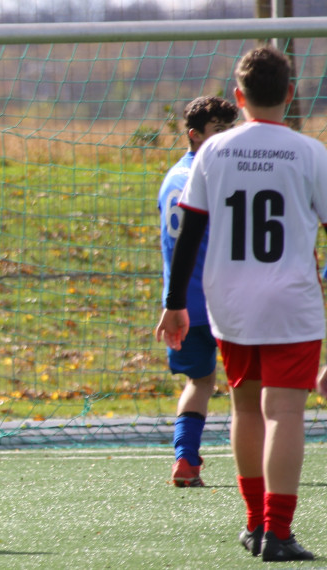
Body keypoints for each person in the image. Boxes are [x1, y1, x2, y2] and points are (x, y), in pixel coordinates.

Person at [155, 46, 326, 562]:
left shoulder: (212, 151)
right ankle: (279, 531)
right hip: (290, 303)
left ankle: (254, 525)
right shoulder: (310, 153)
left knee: (245, 407)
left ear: (239, 96)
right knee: (285, 413)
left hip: (229, 302)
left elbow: (190, 233)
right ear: (290, 94)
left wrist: (174, 303)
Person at [156, 95, 237, 487]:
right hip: (225, 301)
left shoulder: (171, 178)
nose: (227, 138)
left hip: (182, 304)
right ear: (194, 134)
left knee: (200, 382)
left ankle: (185, 460)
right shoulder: (218, 178)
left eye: (230, 130)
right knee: (248, 387)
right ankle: (259, 467)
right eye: (218, 131)